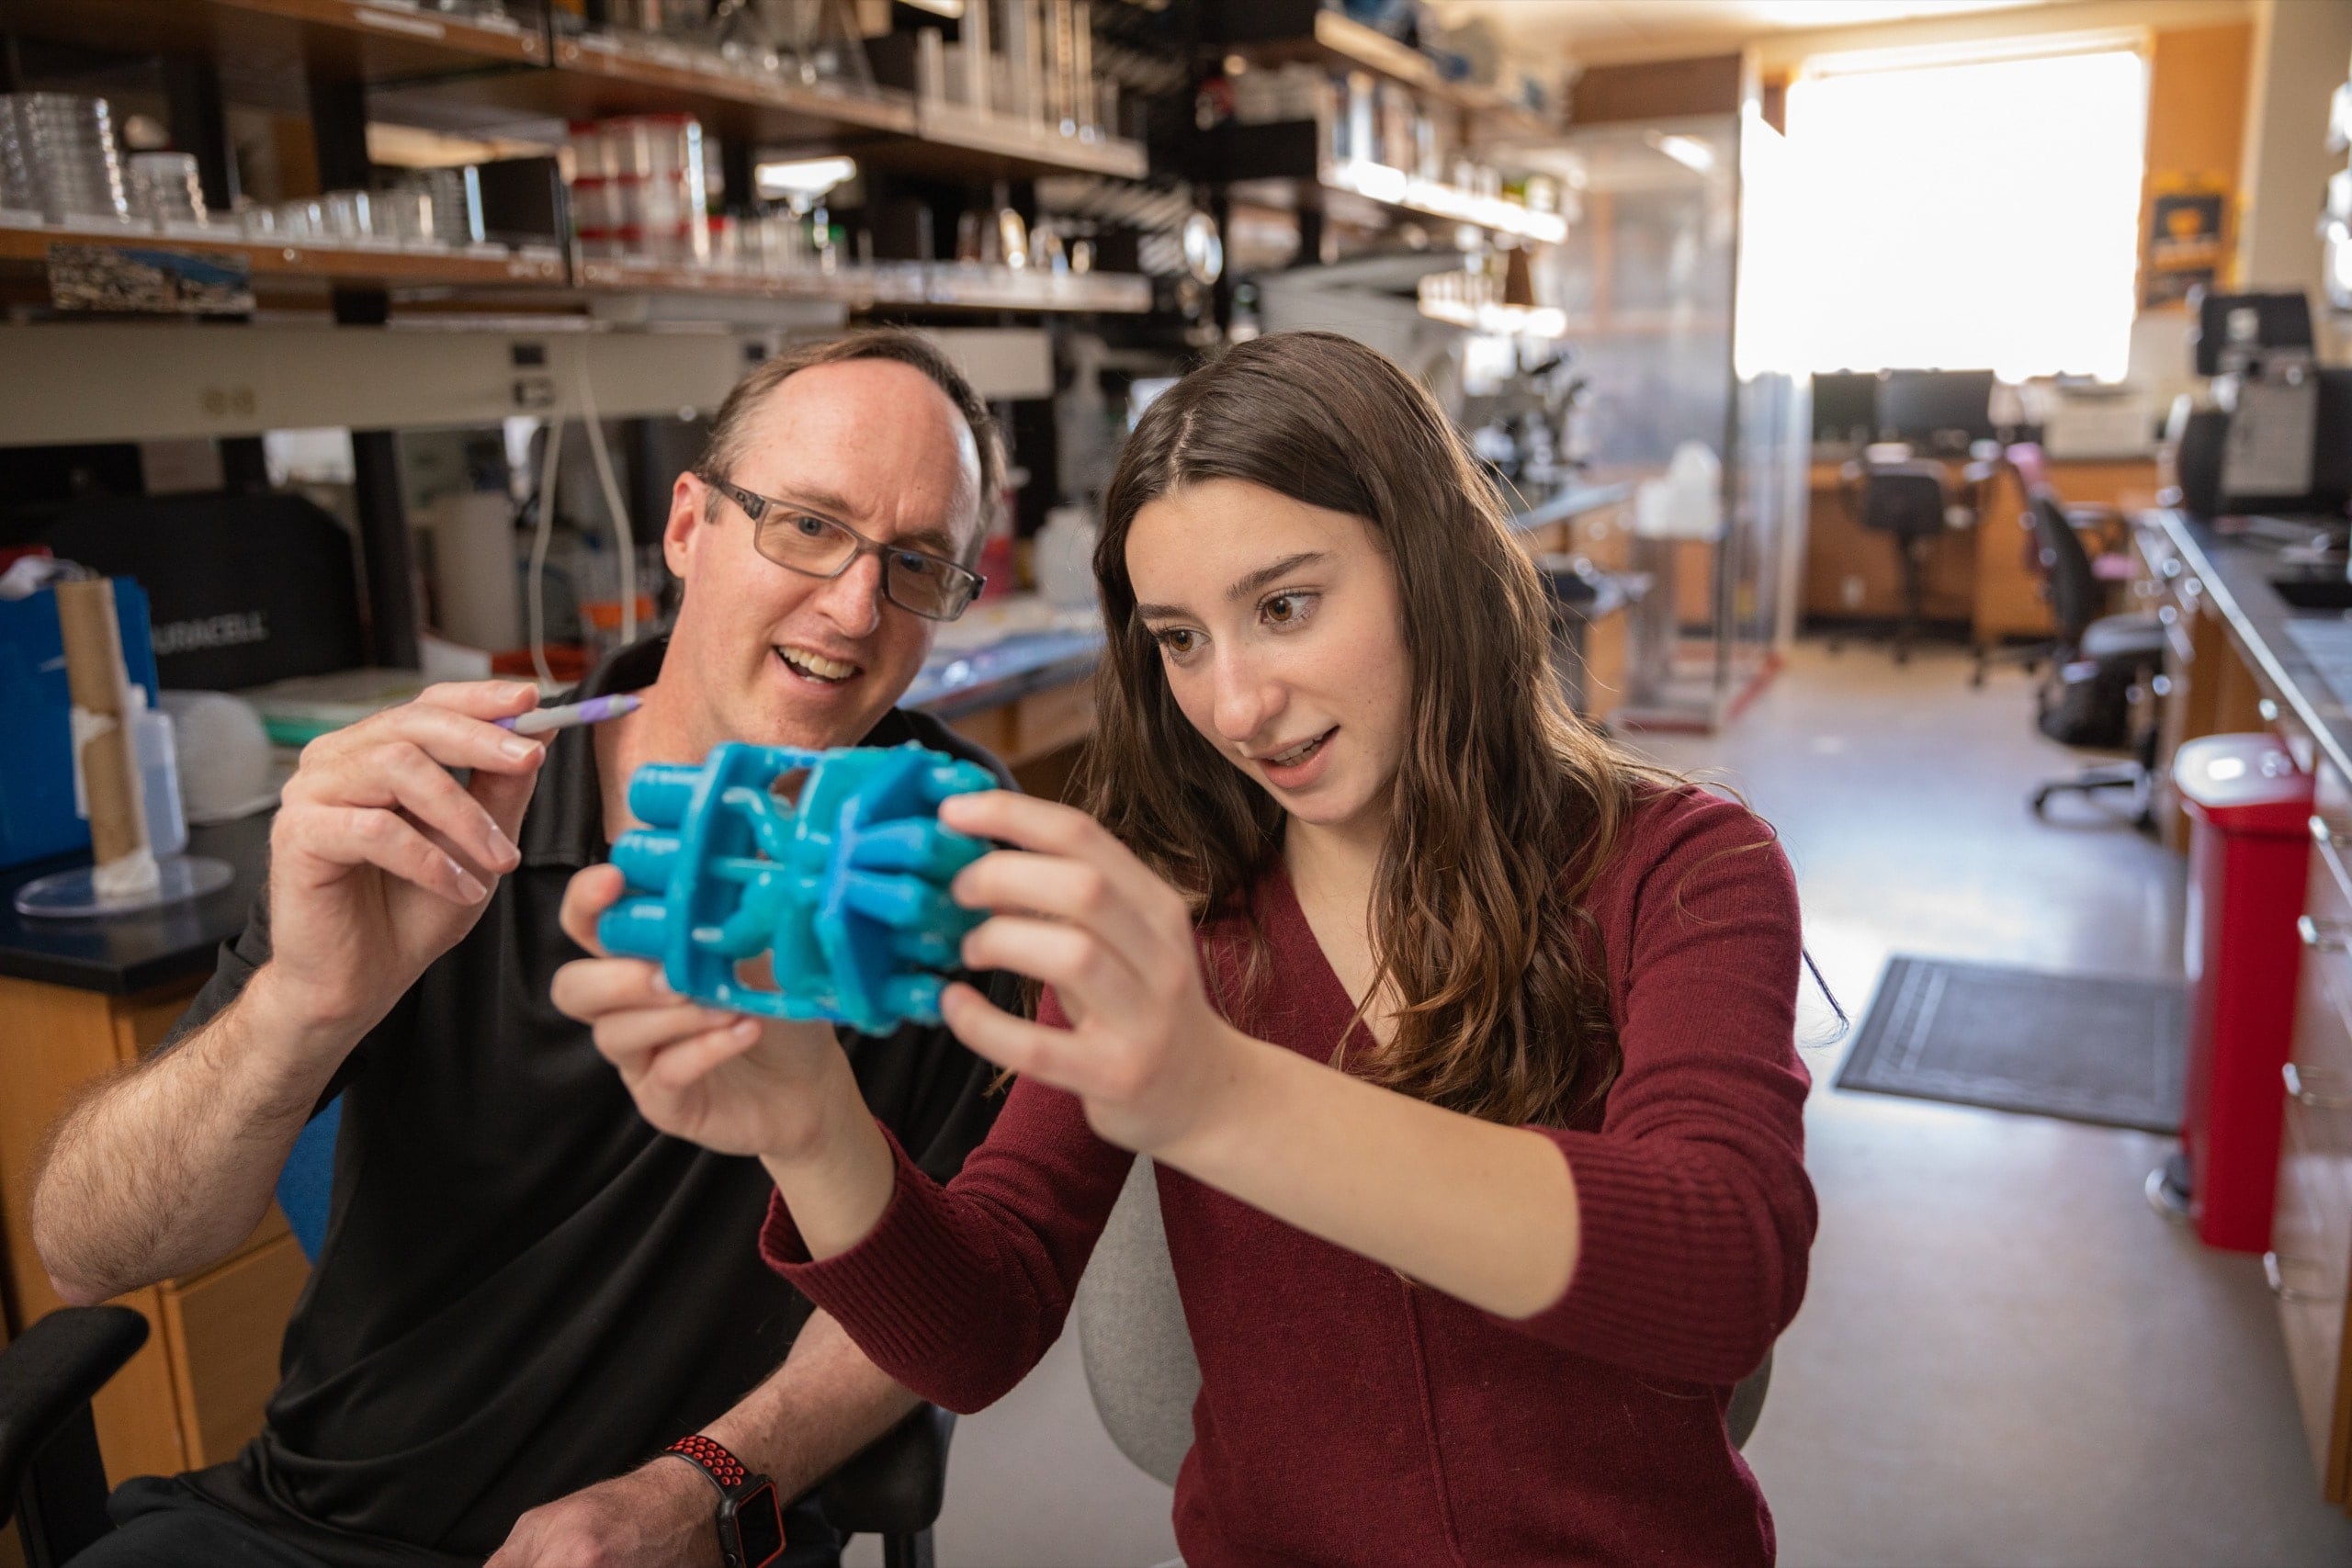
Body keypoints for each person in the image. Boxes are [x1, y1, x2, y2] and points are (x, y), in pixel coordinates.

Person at [560, 331, 1818, 1565]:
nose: (1236, 706)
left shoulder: (1685, 868)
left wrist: (1215, 1097)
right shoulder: (1172, 910)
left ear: (1431, 565)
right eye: (1179, 639)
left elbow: (1724, 1271)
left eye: (1284, 605)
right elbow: (978, 1334)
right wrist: (811, 1124)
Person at [31, 329, 1019, 1568]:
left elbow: (935, 1290)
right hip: (313, 1527)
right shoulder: (444, 810)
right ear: (688, 525)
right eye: (808, 525)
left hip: (684, 1531)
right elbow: (86, 1254)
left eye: (917, 561)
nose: (856, 605)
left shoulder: (945, 859)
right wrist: (305, 1004)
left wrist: (700, 1490)